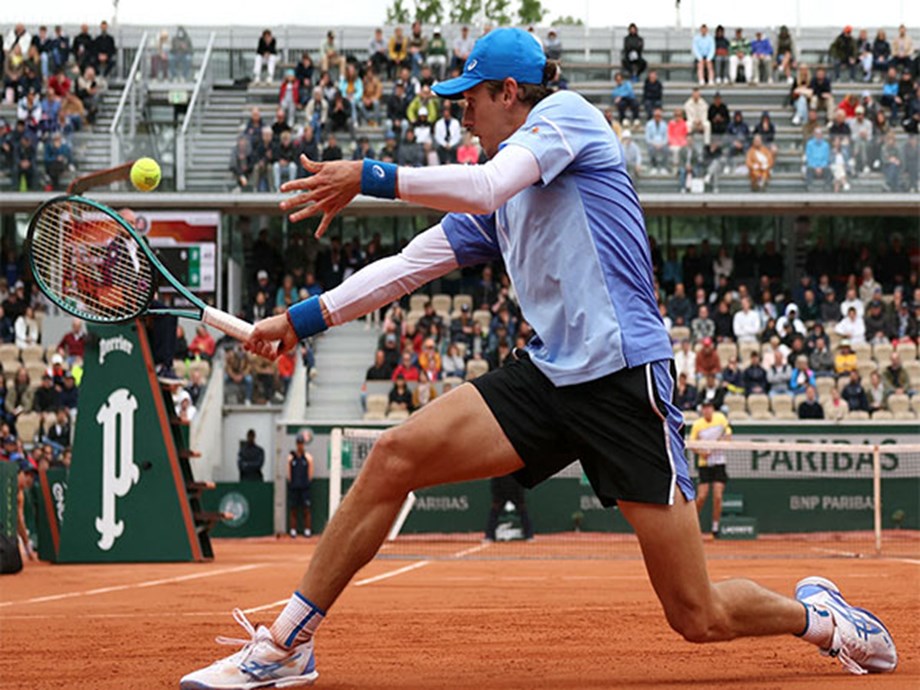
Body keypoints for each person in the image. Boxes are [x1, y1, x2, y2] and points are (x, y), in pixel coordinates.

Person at [182, 27, 898, 689]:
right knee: (393, 456)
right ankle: (286, 644)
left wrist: (370, 175)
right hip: (550, 377)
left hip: (623, 380)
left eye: (470, 99)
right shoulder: (499, 190)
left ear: (510, 94)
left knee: (696, 614)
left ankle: (826, 621)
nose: (462, 114)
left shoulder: (569, 119)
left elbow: (489, 184)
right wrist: (290, 322)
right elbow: (408, 265)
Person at [689, 400, 731, 538]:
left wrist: (718, 445)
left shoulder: (721, 419)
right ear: (702, 410)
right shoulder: (697, 425)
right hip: (704, 465)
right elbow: (691, 444)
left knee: (718, 497)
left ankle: (715, 528)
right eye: (704, 408)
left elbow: (728, 436)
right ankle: (691, 526)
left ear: (713, 409)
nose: (707, 410)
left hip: (719, 463)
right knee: (701, 497)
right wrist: (702, 452)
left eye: (709, 408)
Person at [485, 472, 534, 541]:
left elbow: (521, 483)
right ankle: (489, 536)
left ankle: (529, 536)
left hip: (515, 493)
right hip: (501, 493)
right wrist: (496, 497)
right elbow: (495, 482)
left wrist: (520, 498)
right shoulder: (499, 469)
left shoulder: (516, 469)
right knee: (494, 513)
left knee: (523, 513)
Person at [287, 431, 314, 538]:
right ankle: (293, 530)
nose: (300, 445)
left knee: (306, 509)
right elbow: (289, 474)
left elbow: (310, 474)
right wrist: (293, 482)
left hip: (305, 488)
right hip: (294, 487)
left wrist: (306, 483)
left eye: (301, 443)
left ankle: (307, 530)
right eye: (298, 443)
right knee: (293, 509)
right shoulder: (291, 457)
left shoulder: (308, 458)